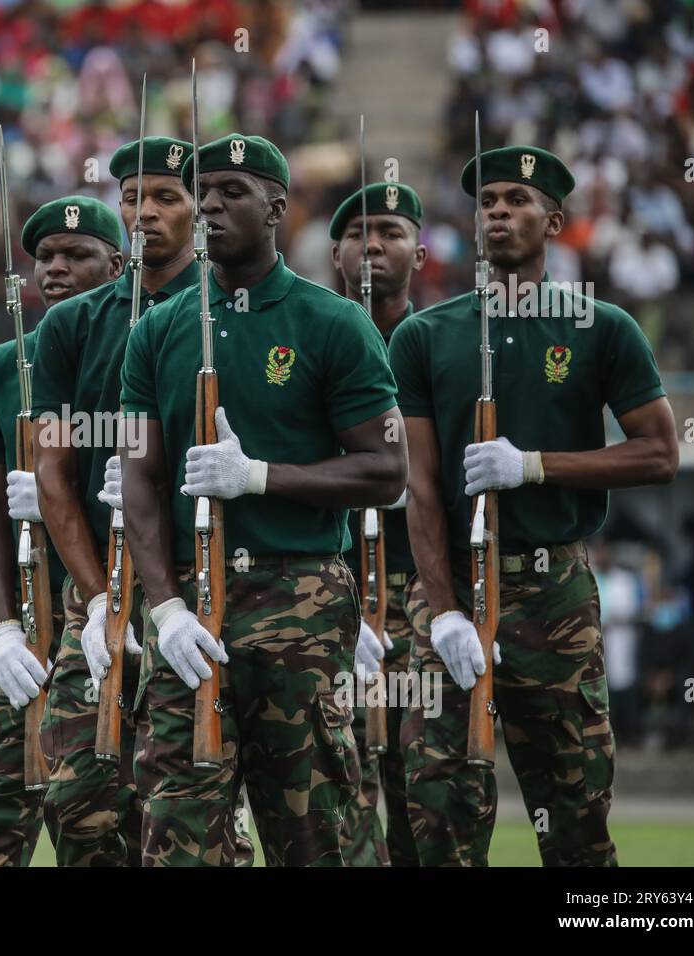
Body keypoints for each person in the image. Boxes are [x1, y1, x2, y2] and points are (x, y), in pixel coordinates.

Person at [120, 134, 407, 865]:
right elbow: (138, 478)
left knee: (310, 832)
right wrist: (164, 608)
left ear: (278, 207)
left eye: (232, 191)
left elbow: (385, 470)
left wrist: (259, 477)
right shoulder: (157, 328)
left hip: (299, 596)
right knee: (178, 835)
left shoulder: (332, 322)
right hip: (190, 603)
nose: (211, 205)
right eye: (202, 193)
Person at [389, 145, 679, 866]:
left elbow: (659, 453)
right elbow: (419, 487)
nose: (497, 214)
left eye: (516, 200)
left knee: (576, 811)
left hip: (556, 594)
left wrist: (536, 466)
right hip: (451, 586)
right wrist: (443, 608)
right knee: (438, 813)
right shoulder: (426, 335)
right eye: (486, 202)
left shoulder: (600, 327)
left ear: (553, 220)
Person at [30, 137, 203, 866]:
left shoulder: (224, 312)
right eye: (133, 197)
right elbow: (54, 473)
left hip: (201, 580)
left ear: (200, 209)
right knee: (78, 798)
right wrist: (97, 597)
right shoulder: (71, 326)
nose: (146, 212)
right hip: (102, 584)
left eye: (166, 196)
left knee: (192, 803)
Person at [0, 195, 123, 865]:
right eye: (44, 257)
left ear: (116, 264)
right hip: (36, 613)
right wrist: (2, 630)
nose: (54, 268)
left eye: (76, 256)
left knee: (99, 822)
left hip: (117, 615)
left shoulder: (142, 342)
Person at [329, 181, 427, 867]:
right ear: (335, 253)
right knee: (342, 785)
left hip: (428, 585)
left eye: (390, 232)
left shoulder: (445, 342)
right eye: (359, 233)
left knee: (430, 787)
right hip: (332, 586)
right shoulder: (309, 334)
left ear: (419, 251)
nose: (373, 245)